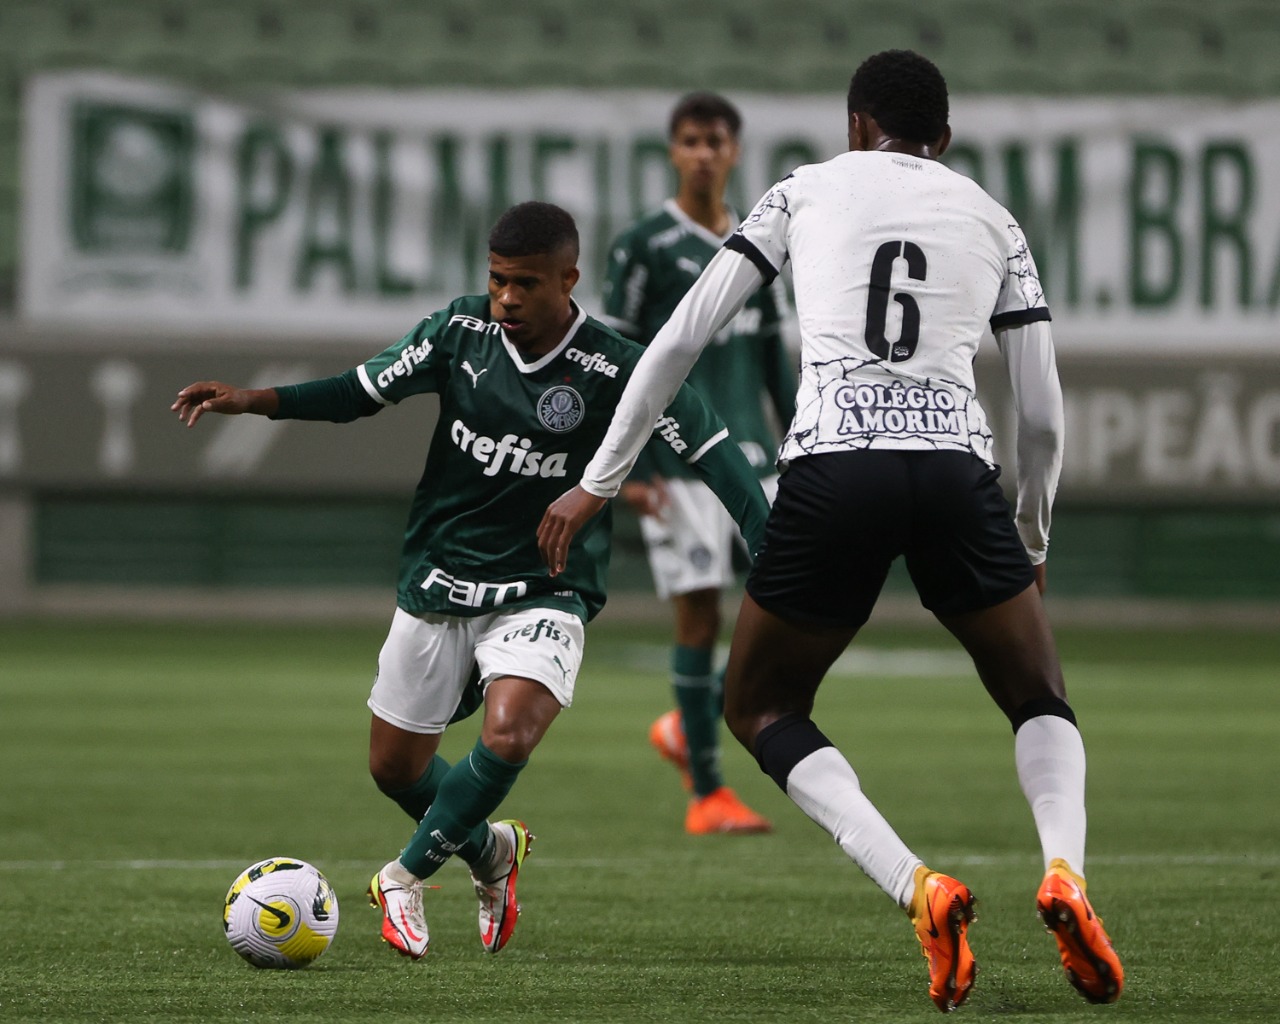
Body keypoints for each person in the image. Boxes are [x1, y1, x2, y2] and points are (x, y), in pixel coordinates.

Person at [538, 51, 1124, 1012]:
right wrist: (1034, 539)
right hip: (954, 472)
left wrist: (598, 481)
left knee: (761, 704)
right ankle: (1065, 872)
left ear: (856, 124)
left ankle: (917, 886)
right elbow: (1044, 412)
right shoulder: (994, 219)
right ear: (944, 137)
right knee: (1038, 697)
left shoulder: (800, 192)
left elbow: (678, 340)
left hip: (834, 470)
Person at [172, 201, 769, 961]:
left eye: (524, 284)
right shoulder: (458, 334)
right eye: (496, 282)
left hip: (543, 587)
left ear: (568, 280)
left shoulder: (617, 366)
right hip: (441, 576)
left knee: (512, 728)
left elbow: (712, 444)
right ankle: (491, 852)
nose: (507, 299)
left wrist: (764, 539)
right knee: (394, 766)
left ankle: (402, 875)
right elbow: (357, 393)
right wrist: (251, 401)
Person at [600, 92, 795, 836]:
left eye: (716, 140)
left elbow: (774, 357)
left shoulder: (764, 239)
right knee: (700, 617)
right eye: (691, 140)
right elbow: (618, 359)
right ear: (673, 151)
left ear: (735, 151)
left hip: (758, 462)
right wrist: (631, 466)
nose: (704, 153)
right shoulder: (644, 245)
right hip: (678, 463)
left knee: (792, 608)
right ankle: (707, 792)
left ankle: (688, 724)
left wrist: (805, 441)